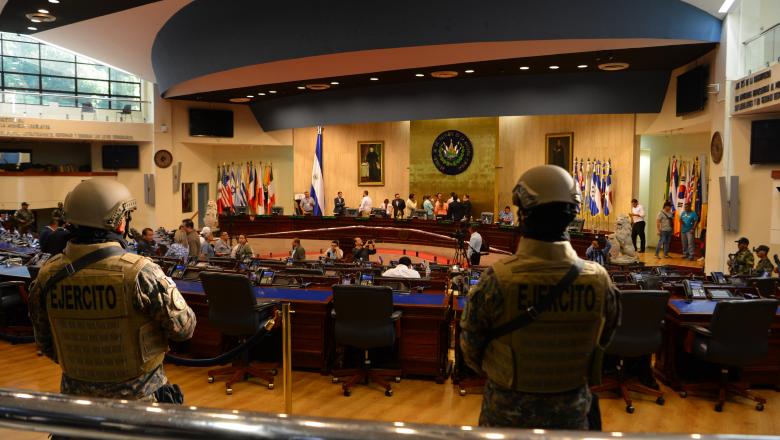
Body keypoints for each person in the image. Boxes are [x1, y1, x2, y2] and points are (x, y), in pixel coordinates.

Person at [460, 165, 619, 430]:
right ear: (572, 215)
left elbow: (470, 351)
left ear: (522, 215)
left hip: (506, 419)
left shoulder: (496, 280)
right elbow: (605, 341)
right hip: (571, 418)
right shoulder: (600, 281)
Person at [28, 178, 196, 402]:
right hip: (138, 402)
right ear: (119, 223)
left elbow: (45, 343)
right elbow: (184, 329)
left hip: (75, 403)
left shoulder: (47, 274)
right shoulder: (140, 272)